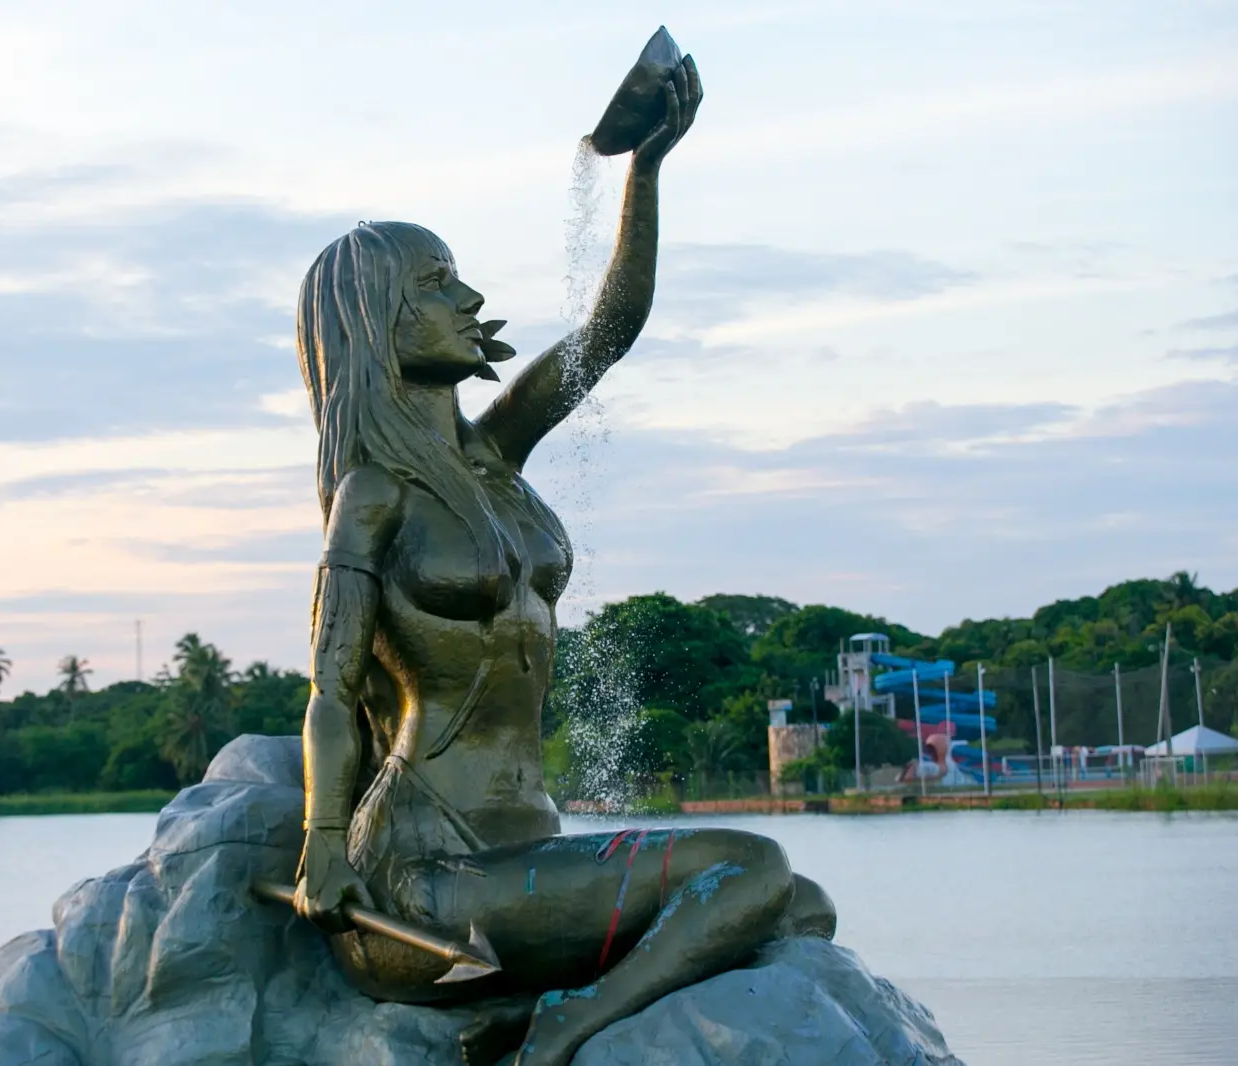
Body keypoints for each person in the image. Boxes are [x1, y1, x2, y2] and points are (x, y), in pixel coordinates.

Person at [290, 55, 834, 1066]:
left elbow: (607, 332)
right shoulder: (374, 493)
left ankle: (523, 1016)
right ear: (377, 324)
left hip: (524, 862)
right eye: (438, 283)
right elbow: (327, 682)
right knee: (747, 869)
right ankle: (564, 1031)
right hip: (423, 881)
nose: (470, 297)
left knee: (799, 902)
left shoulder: (494, 456)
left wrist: (647, 171)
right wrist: (323, 846)